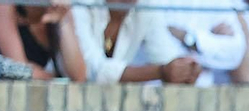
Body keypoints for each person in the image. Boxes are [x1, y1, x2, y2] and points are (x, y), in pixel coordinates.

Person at [67, 0, 202, 83]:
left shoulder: (147, 6)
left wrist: (185, 69)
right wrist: (161, 72)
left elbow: (166, 56)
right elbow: (92, 70)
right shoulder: (81, 4)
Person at [140, 0, 246, 87]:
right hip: (154, 92)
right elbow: (162, 53)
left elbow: (235, 54)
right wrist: (209, 42)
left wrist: (189, 38)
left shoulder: (220, 2)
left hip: (203, 94)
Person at [0, 0, 86, 80]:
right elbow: (20, 69)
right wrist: (57, 80)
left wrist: (63, 21)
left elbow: (78, 76)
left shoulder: (56, 8)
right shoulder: (2, 4)